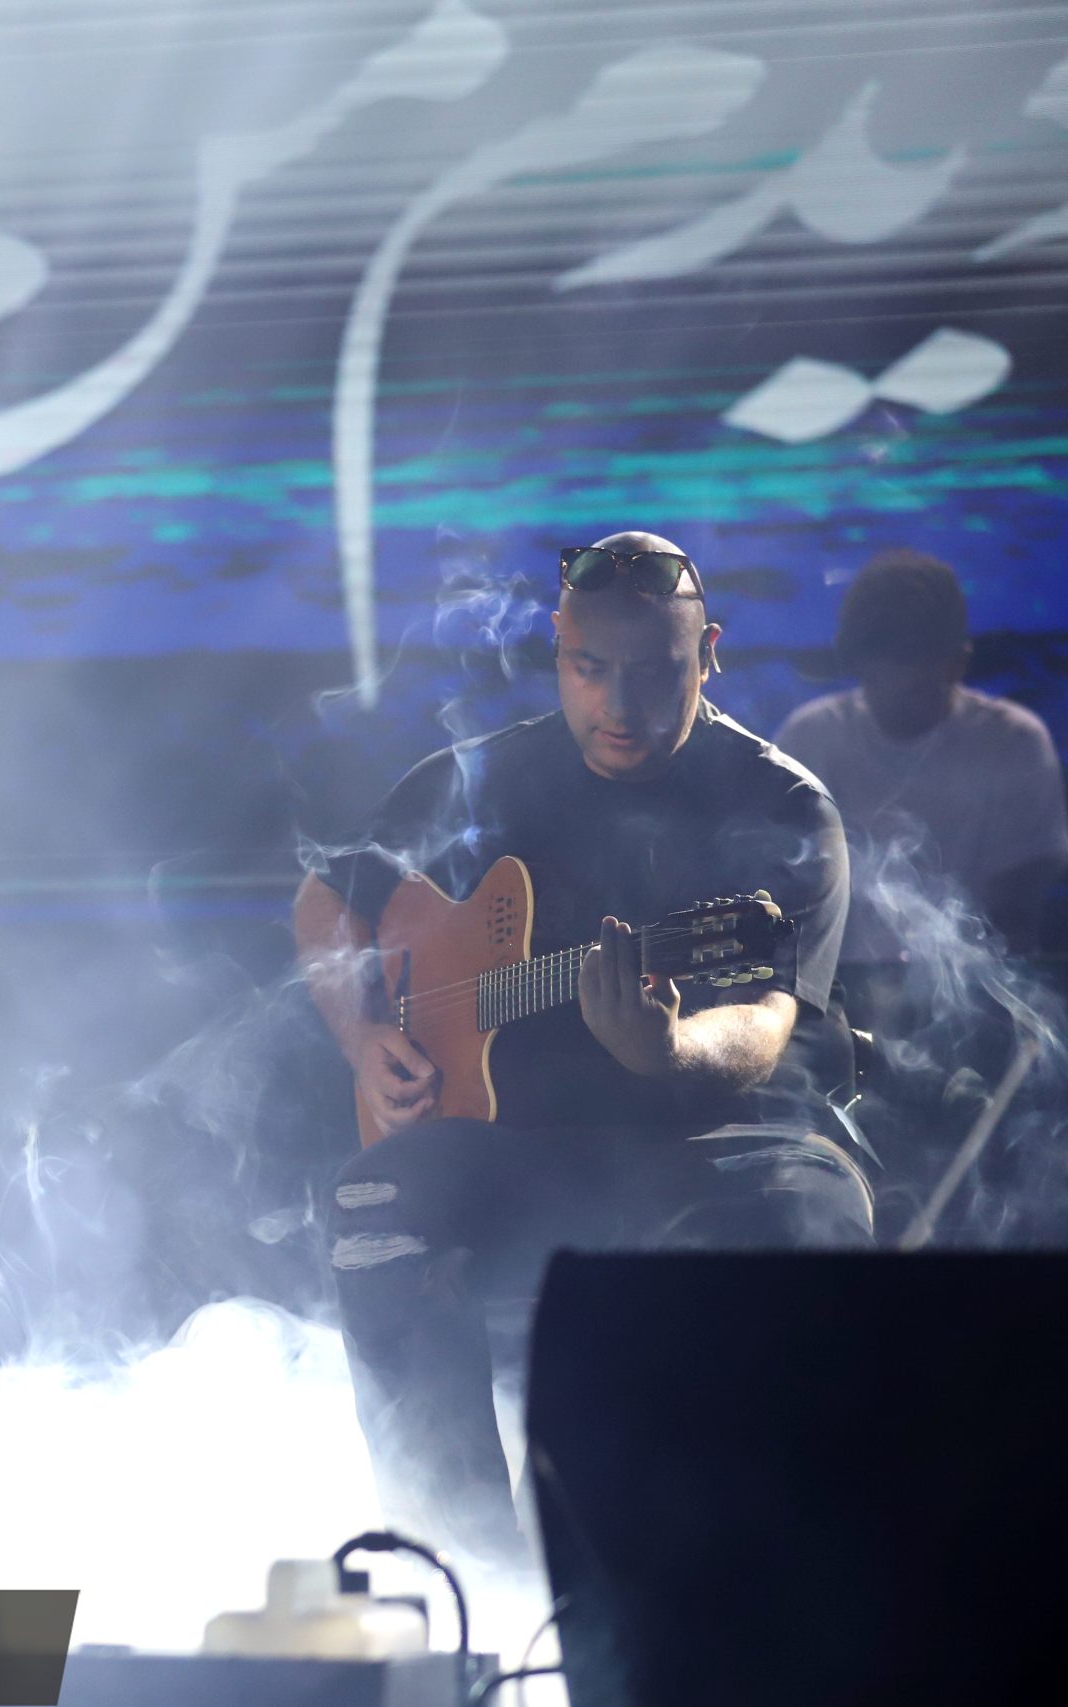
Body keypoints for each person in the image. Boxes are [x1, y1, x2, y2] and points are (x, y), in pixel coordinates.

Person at [291, 531, 873, 1567]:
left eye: (655, 673)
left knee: (800, 1223)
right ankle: (462, 1560)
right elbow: (325, 900)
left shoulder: (783, 808)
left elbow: (764, 1017)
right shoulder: (478, 776)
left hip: (735, 1139)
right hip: (530, 1140)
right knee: (373, 1203)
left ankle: (760, 1576)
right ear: (557, 651)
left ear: (709, 655)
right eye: (589, 669)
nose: (619, 704)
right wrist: (366, 1032)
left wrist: (667, 1052)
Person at [776, 548, 1068, 978]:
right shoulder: (810, 740)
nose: (898, 700)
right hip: (837, 992)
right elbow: (783, 892)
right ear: (856, 665)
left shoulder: (1014, 743)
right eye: (880, 678)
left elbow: (1018, 911)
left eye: (917, 685)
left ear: (958, 664)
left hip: (979, 987)